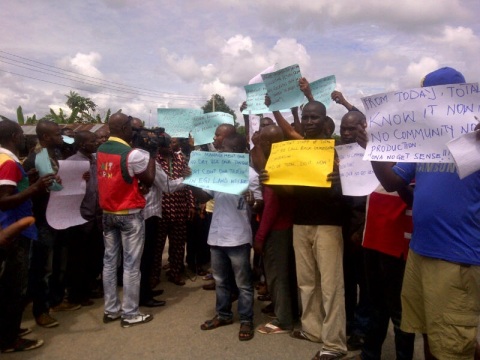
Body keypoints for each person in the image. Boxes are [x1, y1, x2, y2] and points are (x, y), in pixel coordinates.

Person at [361, 67, 480, 360]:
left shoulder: (476, 140)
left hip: (456, 258)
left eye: (428, 96)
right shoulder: (423, 142)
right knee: (428, 332)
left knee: (453, 344)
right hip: (420, 252)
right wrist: (375, 145)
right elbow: (392, 182)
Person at [261, 100, 348, 359]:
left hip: (329, 224)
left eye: (315, 118)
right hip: (301, 223)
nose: (310, 122)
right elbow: (291, 190)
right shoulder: (297, 148)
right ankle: (312, 330)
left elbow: (354, 188)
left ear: (324, 121)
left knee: (331, 285)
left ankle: (334, 344)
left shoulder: (337, 152)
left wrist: (340, 180)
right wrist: (273, 183)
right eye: (306, 117)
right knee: (307, 282)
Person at [190, 133, 261, 342]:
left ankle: (247, 319)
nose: (221, 153)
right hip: (217, 236)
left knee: (243, 283)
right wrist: (192, 181)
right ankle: (224, 314)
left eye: (226, 150)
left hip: (238, 237)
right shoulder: (218, 171)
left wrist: (252, 201)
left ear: (239, 151)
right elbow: (205, 196)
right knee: (221, 281)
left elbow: (260, 205)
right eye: (220, 150)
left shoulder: (251, 175)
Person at [0, 119, 55, 353]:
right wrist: (35, 188)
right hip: (14, 231)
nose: (24, 138)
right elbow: (3, 200)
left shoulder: (7, 160)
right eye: (22, 134)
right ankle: (9, 340)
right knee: (14, 288)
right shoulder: (9, 162)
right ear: (14, 135)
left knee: (10, 286)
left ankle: (8, 330)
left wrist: (29, 179)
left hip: (14, 229)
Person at [97, 113, 156, 328]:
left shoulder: (100, 150)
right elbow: (148, 179)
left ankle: (111, 310)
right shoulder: (132, 154)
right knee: (131, 266)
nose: (133, 132)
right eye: (131, 128)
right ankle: (130, 313)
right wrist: (152, 154)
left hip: (107, 214)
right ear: (123, 129)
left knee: (110, 263)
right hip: (129, 215)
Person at [23, 119, 78, 328]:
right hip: (43, 219)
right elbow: (30, 191)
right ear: (45, 137)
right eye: (56, 134)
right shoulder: (34, 159)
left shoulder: (56, 155)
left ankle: (56, 301)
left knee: (57, 265)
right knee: (43, 268)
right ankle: (41, 310)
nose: (60, 138)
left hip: (60, 216)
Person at [251, 125, 299, 335]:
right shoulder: (288, 161)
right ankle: (290, 312)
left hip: (276, 229)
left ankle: (284, 320)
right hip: (289, 226)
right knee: (286, 274)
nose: (257, 145)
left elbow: (271, 206)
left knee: (276, 275)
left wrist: (260, 236)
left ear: (268, 144)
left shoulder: (274, 167)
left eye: (260, 142)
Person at [151, 133, 195, 286]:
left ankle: (175, 272)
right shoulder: (154, 161)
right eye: (166, 144)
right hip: (160, 209)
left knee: (178, 245)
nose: (170, 146)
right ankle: (154, 275)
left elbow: (188, 182)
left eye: (171, 143)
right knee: (157, 246)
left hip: (179, 208)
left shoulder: (181, 159)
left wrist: (190, 204)